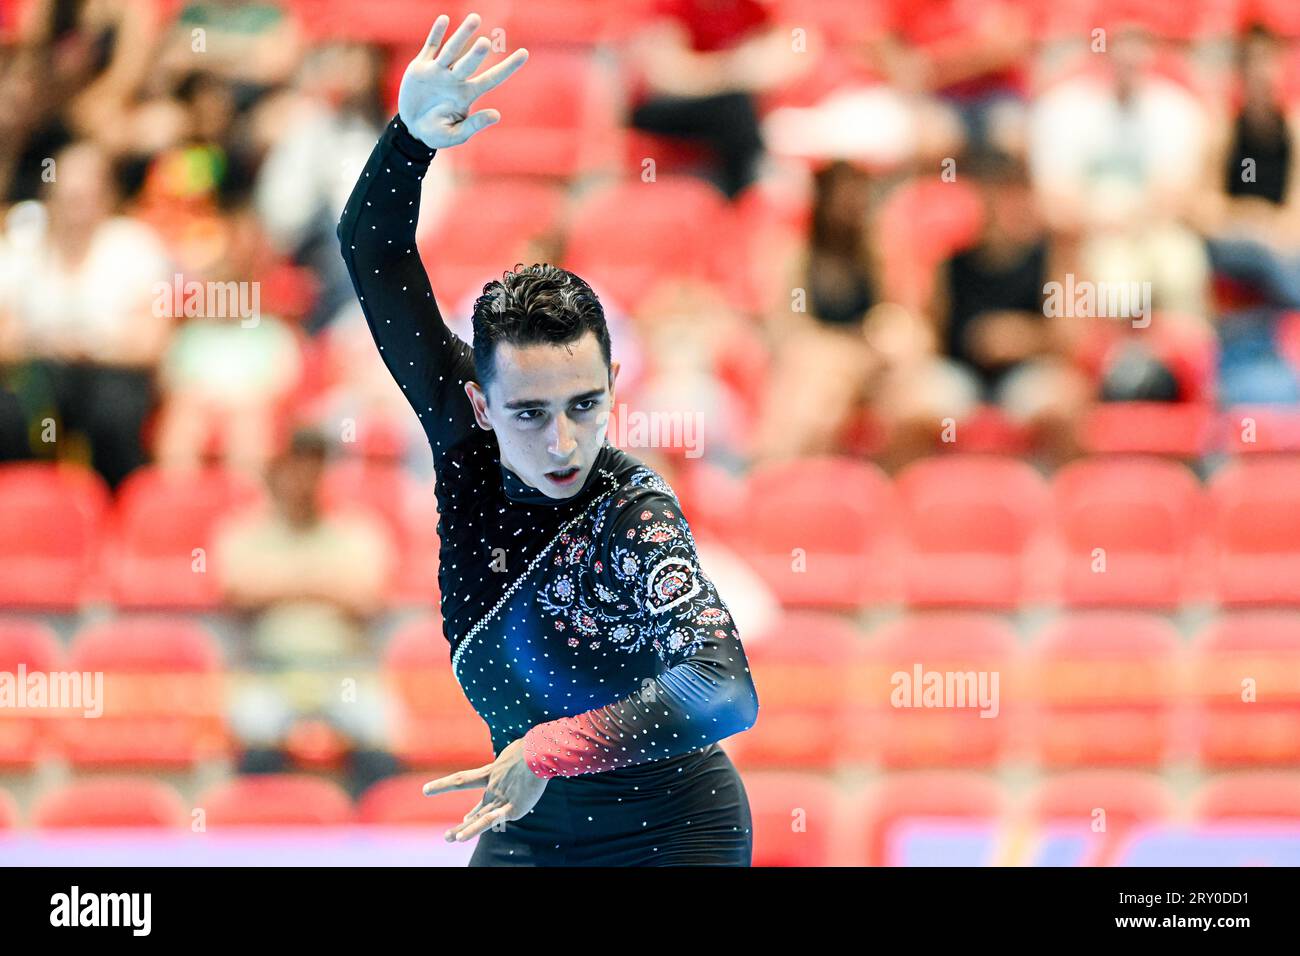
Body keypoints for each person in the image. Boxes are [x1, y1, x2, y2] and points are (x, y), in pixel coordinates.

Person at [337, 13, 759, 866]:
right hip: (526, 833)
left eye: (586, 404)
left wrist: (546, 750)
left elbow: (724, 691)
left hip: (674, 837)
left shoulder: (631, 514)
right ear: (482, 406)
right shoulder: (460, 439)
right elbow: (373, 251)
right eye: (530, 413)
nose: (565, 440)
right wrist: (409, 137)